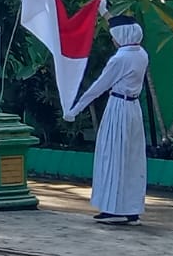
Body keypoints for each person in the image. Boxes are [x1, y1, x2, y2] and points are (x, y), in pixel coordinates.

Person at [64, 15, 150, 225]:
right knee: (132, 159)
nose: (113, 39)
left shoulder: (120, 59)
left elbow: (98, 87)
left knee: (112, 156)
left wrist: (74, 109)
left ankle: (112, 209)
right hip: (134, 109)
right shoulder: (141, 54)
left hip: (118, 108)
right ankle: (131, 210)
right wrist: (105, 12)